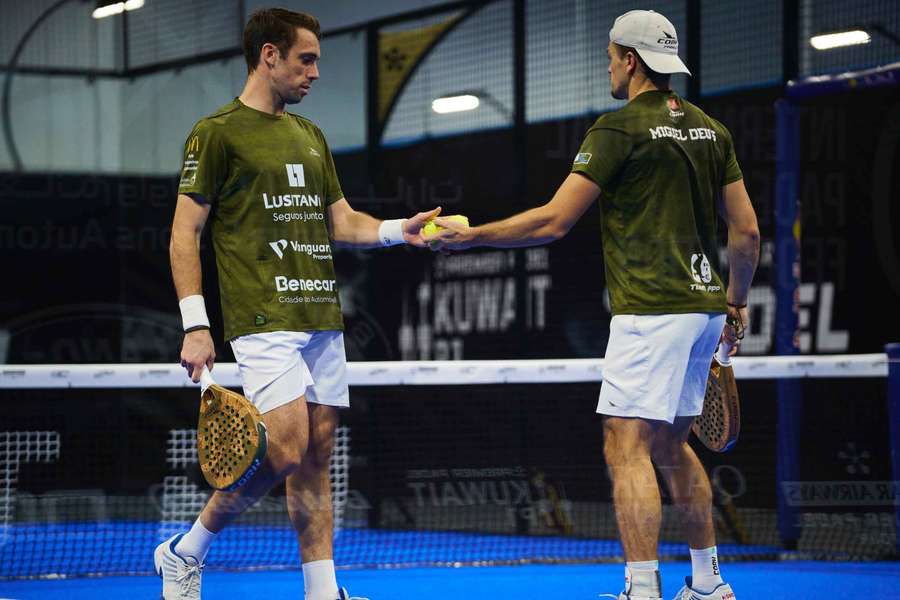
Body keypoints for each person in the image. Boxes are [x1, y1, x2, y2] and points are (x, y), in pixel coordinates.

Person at [427, 9, 759, 600]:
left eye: (610, 57)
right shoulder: (713, 130)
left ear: (630, 60)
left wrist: (470, 235)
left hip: (651, 310)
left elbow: (555, 221)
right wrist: (734, 303)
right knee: (670, 445)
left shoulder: (617, 129)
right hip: (705, 308)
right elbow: (748, 234)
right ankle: (708, 585)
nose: (608, 67)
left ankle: (641, 589)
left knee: (624, 443)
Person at [158, 8, 439, 600]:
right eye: (305, 59)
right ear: (269, 55)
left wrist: (396, 230)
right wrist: (195, 324)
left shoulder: (310, 136)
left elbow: (343, 222)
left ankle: (322, 590)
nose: (314, 73)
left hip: (320, 316)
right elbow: (185, 233)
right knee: (283, 448)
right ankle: (186, 552)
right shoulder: (216, 133)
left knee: (316, 456)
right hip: (263, 317)